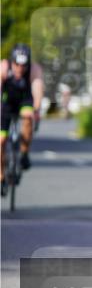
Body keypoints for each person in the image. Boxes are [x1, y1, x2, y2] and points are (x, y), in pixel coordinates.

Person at [1, 44, 44, 193]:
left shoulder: (34, 69)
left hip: (25, 100)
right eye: (16, 64)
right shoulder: (3, 67)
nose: (20, 68)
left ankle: (24, 153)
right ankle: (1, 177)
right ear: (11, 61)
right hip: (6, 102)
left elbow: (37, 91)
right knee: (1, 140)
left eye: (23, 65)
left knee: (28, 117)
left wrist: (36, 111)